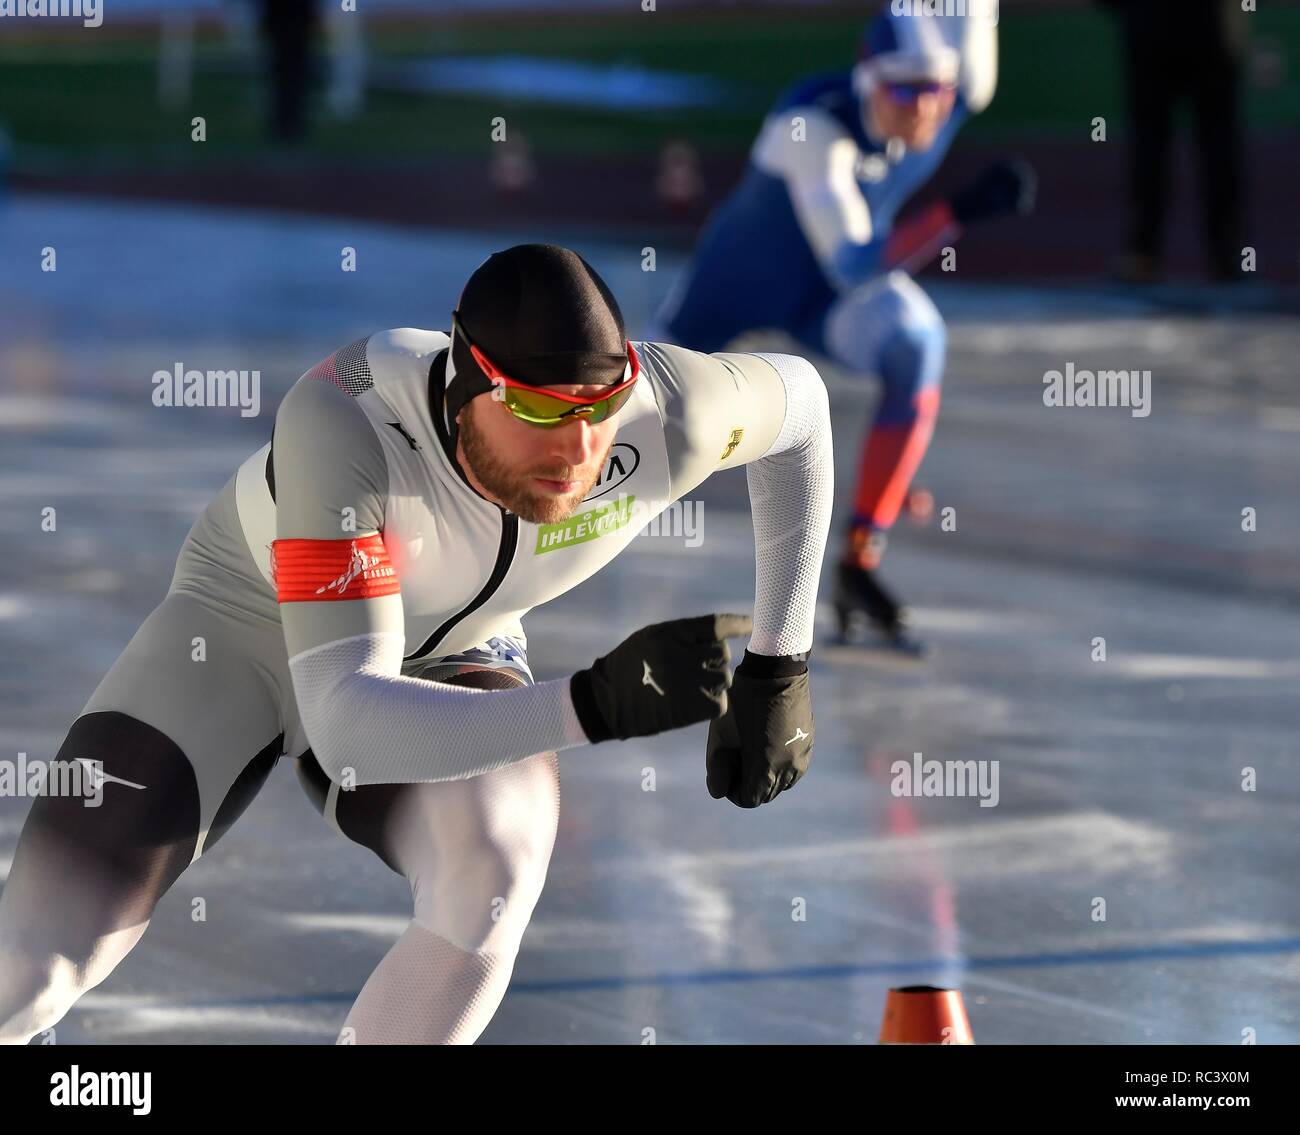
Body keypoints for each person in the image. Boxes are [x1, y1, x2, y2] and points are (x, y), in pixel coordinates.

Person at [0, 244, 833, 1045]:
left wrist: (780, 663)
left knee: (496, 863)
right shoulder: (347, 415)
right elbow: (347, 727)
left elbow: (802, 407)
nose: (579, 448)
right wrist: (590, 705)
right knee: (28, 975)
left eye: (598, 408)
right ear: (467, 383)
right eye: (539, 407)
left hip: (456, 650)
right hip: (243, 628)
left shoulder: (668, 413)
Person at [652, 4, 1034, 653]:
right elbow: (855, 261)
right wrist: (955, 211)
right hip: (738, 288)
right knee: (645, 426)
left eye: (936, 91)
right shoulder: (810, 124)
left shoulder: (953, 89)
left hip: (822, 298)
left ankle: (860, 558)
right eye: (903, 92)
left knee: (917, 344)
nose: (923, 109)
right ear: (868, 79)